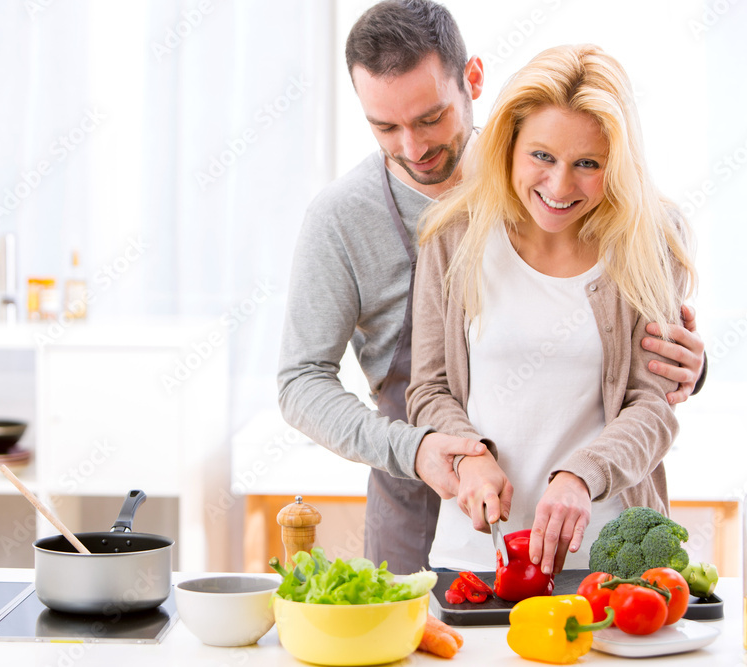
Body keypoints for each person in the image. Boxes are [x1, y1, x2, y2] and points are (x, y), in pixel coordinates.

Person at [278, 0, 706, 574]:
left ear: (473, 82)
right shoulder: (349, 220)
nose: (412, 147)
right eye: (385, 126)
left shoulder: (552, 170)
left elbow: (635, 382)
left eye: (430, 118)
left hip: (586, 524)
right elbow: (303, 380)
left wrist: (687, 368)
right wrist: (419, 448)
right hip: (419, 507)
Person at [408, 43, 697, 576]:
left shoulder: (651, 241)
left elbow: (653, 405)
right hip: (476, 556)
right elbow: (429, 388)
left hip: (609, 562)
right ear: (510, 144)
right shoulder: (454, 237)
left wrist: (581, 476)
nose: (560, 186)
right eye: (542, 156)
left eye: (588, 164)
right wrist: (469, 455)